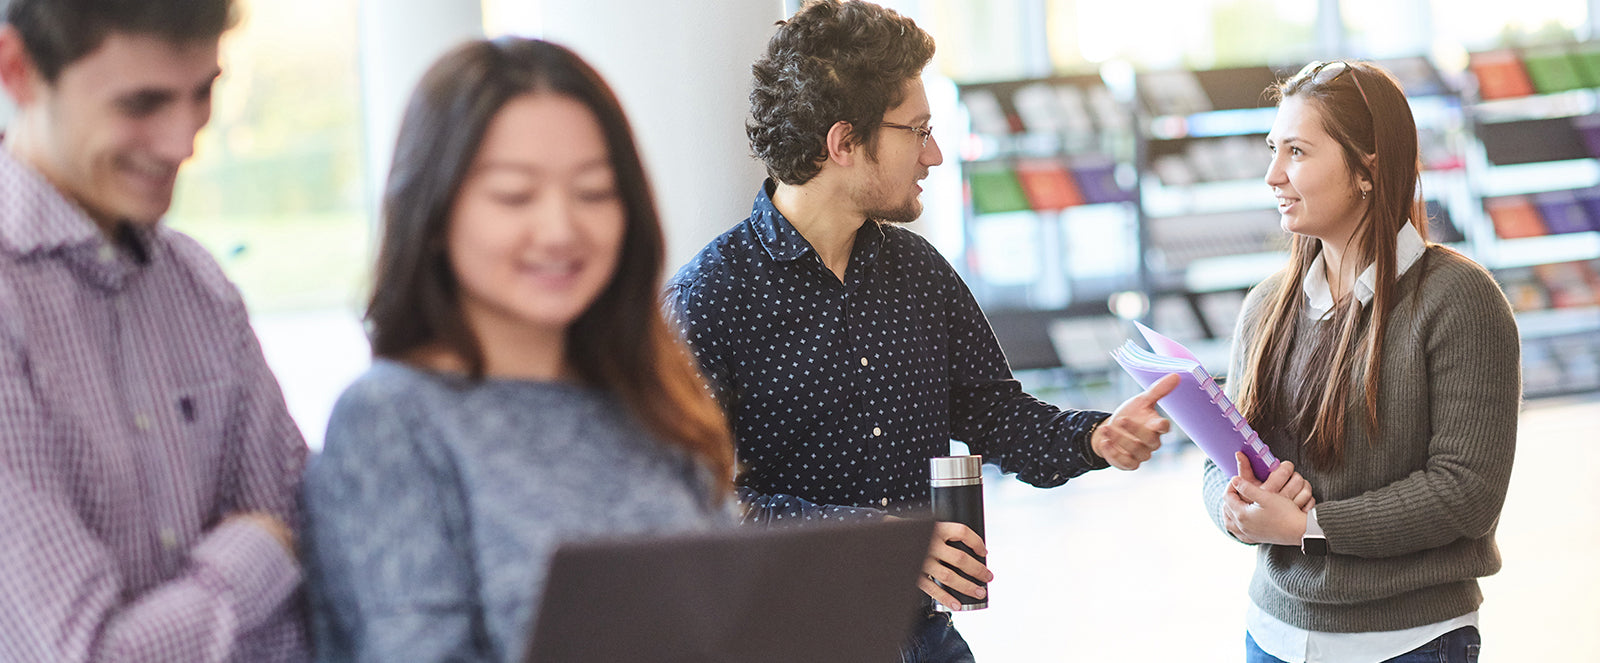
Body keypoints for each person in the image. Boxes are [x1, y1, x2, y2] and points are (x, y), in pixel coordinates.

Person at [665, 1, 1177, 659]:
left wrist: (1095, 437)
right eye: (919, 130)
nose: (935, 154)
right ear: (844, 143)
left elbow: (998, 417)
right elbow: (700, 505)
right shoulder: (709, 297)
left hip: (925, 639)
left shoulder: (918, 271)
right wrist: (885, 543)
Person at [300, 37, 736, 662]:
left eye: (593, 192)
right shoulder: (392, 417)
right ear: (435, 210)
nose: (560, 230)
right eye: (513, 196)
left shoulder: (652, 395)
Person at [0, 0, 311, 660]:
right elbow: (86, 655)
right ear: (17, 70)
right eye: (141, 104)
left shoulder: (200, 288)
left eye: (203, 94)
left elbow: (306, 596)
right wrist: (252, 555)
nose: (183, 141)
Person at [1204, 59, 1520, 663]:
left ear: (1367, 165)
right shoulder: (1267, 304)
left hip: (1409, 642)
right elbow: (1223, 456)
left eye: (1297, 151)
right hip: (1271, 633)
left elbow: (1466, 492)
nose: (1273, 175)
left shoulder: (1459, 299)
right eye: (1273, 149)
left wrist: (1309, 527)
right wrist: (1234, 505)